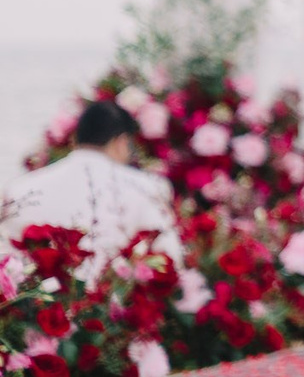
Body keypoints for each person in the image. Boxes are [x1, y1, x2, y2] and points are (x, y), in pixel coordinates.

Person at [4, 99, 179, 279]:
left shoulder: (21, 188)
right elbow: (169, 259)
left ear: (74, 139)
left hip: (37, 301)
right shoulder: (148, 187)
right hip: (116, 300)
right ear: (121, 141)